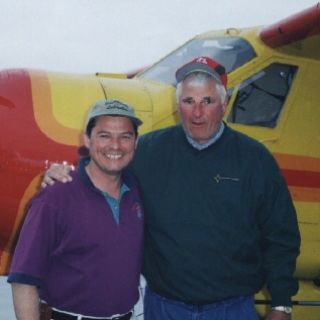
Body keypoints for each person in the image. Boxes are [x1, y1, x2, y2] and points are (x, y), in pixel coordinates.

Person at [42, 57, 300, 320]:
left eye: (207, 101)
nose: (197, 113)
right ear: (178, 107)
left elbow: (281, 235)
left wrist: (282, 304)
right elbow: (106, 165)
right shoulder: (149, 151)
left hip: (233, 309)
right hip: (164, 309)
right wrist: (66, 176)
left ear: (223, 104)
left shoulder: (255, 159)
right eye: (189, 101)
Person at [8, 99, 145, 320]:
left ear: (136, 142)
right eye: (104, 135)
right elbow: (24, 280)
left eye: (125, 136)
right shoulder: (54, 197)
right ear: (87, 140)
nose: (115, 145)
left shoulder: (138, 191)